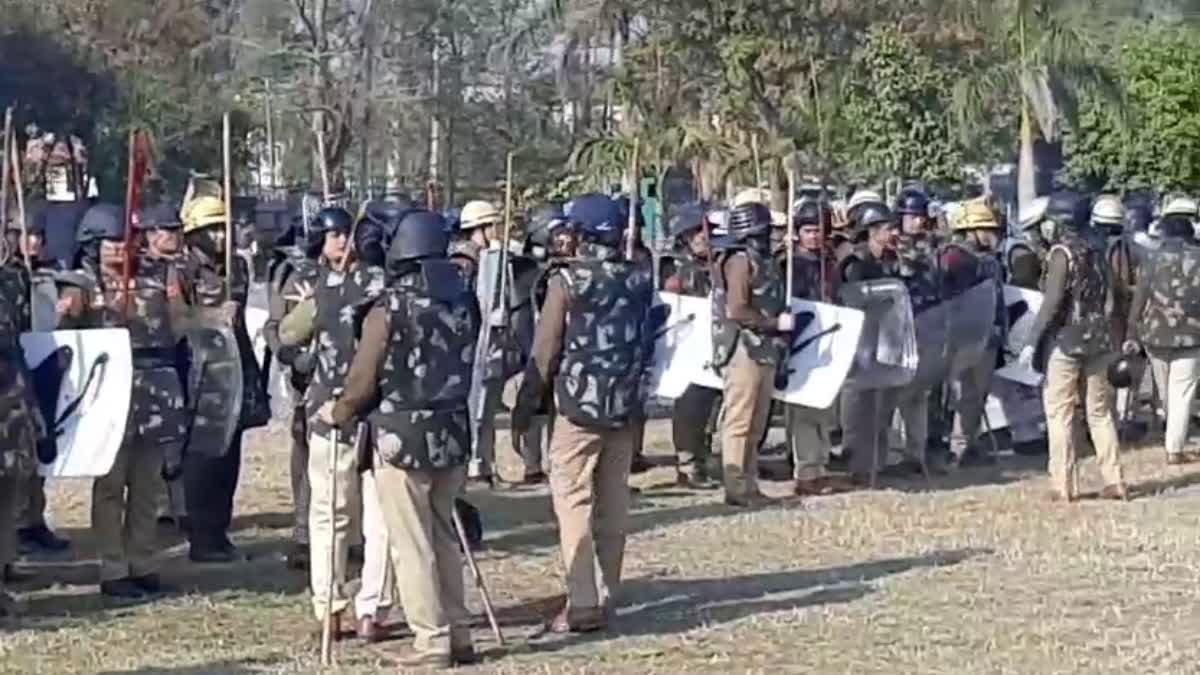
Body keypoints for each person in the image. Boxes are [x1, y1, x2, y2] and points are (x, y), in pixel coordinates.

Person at [321, 208, 481, 668]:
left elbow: (362, 380)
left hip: (401, 438)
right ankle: (460, 632)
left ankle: (432, 642)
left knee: (411, 544)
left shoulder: (388, 308)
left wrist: (340, 411)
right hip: (451, 432)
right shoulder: (464, 300)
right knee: (445, 535)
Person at [511, 193, 654, 632]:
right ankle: (605, 590)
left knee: (572, 500)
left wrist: (526, 405)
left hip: (577, 407)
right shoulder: (639, 278)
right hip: (624, 406)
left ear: (583, 234)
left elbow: (545, 348)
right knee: (613, 503)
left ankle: (583, 600)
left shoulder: (568, 281)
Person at [289, 206, 394, 641]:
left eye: (344, 233)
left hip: (360, 410)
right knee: (333, 512)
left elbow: (288, 335)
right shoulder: (376, 285)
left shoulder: (345, 286)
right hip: (347, 410)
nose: (338, 241)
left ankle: (362, 608)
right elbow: (289, 337)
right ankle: (337, 607)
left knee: (373, 515)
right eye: (332, 234)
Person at [71, 203, 187, 597]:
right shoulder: (82, 285)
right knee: (110, 484)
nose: (120, 248)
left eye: (125, 240)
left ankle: (143, 561)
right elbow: (63, 337)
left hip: (153, 391)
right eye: (110, 242)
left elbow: (179, 322)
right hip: (108, 391)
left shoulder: (154, 276)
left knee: (147, 482)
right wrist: (76, 311)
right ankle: (112, 567)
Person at [1018, 191, 1126, 502]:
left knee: (1060, 412)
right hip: (1100, 340)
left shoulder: (1061, 254)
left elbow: (1052, 302)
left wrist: (1031, 342)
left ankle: (1063, 484)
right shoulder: (1099, 250)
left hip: (1066, 342)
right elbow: (1114, 295)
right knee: (1100, 413)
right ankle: (1114, 480)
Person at [710, 201, 793, 506]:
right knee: (740, 420)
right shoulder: (740, 261)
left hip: (765, 347)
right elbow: (737, 308)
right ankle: (736, 486)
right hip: (743, 347)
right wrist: (774, 322)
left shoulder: (764, 260)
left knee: (758, 422)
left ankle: (750, 481)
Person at [6, 213, 72, 554]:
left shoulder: (46, 273)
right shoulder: (9, 275)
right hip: (11, 368)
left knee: (37, 447)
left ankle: (32, 519)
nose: (33, 242)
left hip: (40, 365)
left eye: (38, 235)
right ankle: (16, 526)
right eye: (25, 234)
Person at [779, 198, 855, 495]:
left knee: (824, 407)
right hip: (801, 342)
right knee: (804, 409)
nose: (814, 236)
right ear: (798, 232)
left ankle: (821, 464)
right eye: (808, 230)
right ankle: (807, 470)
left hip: (828, 340)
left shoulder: (829, 263)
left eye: (819, 230)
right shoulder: (789, 264)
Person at [261, 210, 322, 571]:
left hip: (347, 378)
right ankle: (304, 533)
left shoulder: (359, 276)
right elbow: (275, 327)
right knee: (305, 454)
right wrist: (290, 356)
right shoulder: (296, 278)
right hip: (306, 382)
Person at [1125, 199, 1200, 465]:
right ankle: (1174, 447)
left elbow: (1140, 298)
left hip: (1155, 334)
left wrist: (1131, 332)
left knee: (1166, 390)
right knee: (1182, 392)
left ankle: (1172, 437)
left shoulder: (1151, 258)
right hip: (1193, 335)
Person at [0, 212, 47, 614]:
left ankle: (4, 567)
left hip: (11, 392)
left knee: (10, 485)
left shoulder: (13, 280)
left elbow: (20, 338)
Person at [135, 205, 191, 532]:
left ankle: (179, 504)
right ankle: (160, 505)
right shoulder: (146, 270)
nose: (174, 235)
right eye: (167, 229)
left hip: (180, 356)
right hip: (153, 358)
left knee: (177, 436)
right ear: (152, 233)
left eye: (176, 229)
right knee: (156, 440)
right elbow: (178, 314)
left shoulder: (183, 266)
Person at [453, 199, 517, 485]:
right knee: (474, 409)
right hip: (473, 344)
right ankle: (474, 466)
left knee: (487, 408)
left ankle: (486, 463)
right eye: (494, 224)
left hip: (490, 344)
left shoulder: (494, 259)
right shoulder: (464, 263)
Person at [838, 198, 902, 484]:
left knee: (881, 406)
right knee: (858, 407)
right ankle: (858, 465)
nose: (893, 233)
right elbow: (851, 298)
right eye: (887, 228)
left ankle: (878, 461)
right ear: (871, 230)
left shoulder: (889, 260)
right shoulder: (855, 263)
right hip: (858, 344)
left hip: (884, 341)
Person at [941, 200, 1006, 467]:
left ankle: (971, 442)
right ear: (969, 230)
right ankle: (959, 447)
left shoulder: (988, 259)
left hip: (988, 335)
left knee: (978, 395)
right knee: (966, 394)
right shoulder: (954, 258)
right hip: (966, 337)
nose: (991, 234)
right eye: (984, 228)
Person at [660, 203, 721, 489]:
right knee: (689, 405)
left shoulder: (717, 264)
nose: (704, 238)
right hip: (686, 344)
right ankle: (686, 462)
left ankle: (703, 455)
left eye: (706, 232)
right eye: (698, 233)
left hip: (714, 342)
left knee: (710, 403)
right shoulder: (673, 267)